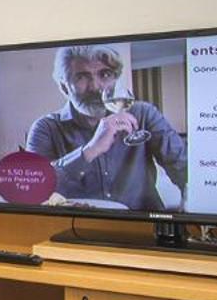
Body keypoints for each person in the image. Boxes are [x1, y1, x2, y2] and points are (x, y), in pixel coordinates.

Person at [25, 44, 186, 211]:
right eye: (82, 77)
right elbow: (32, 190)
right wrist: (90, 150)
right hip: (77, 222)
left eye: (105, 74)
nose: (95, 87)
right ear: (64, 87)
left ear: (116, 80)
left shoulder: (144, 114)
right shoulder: (45, 128)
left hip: (144, 222)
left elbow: (184, 168)